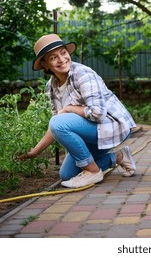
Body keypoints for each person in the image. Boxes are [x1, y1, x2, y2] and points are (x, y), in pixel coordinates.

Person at [18, 33, 137, 188]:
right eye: (53, 57)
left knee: (83, 161)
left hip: (112, 125)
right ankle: (118, 157)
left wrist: (69, 108)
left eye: (63, 53)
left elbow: (98, 113)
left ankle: (93, 172)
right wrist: (35, 152)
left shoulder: (82, 74)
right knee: (67, 175)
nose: (61, 59)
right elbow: (57, 125)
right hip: (93, 131)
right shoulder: (51, 86)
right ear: (45, 65)